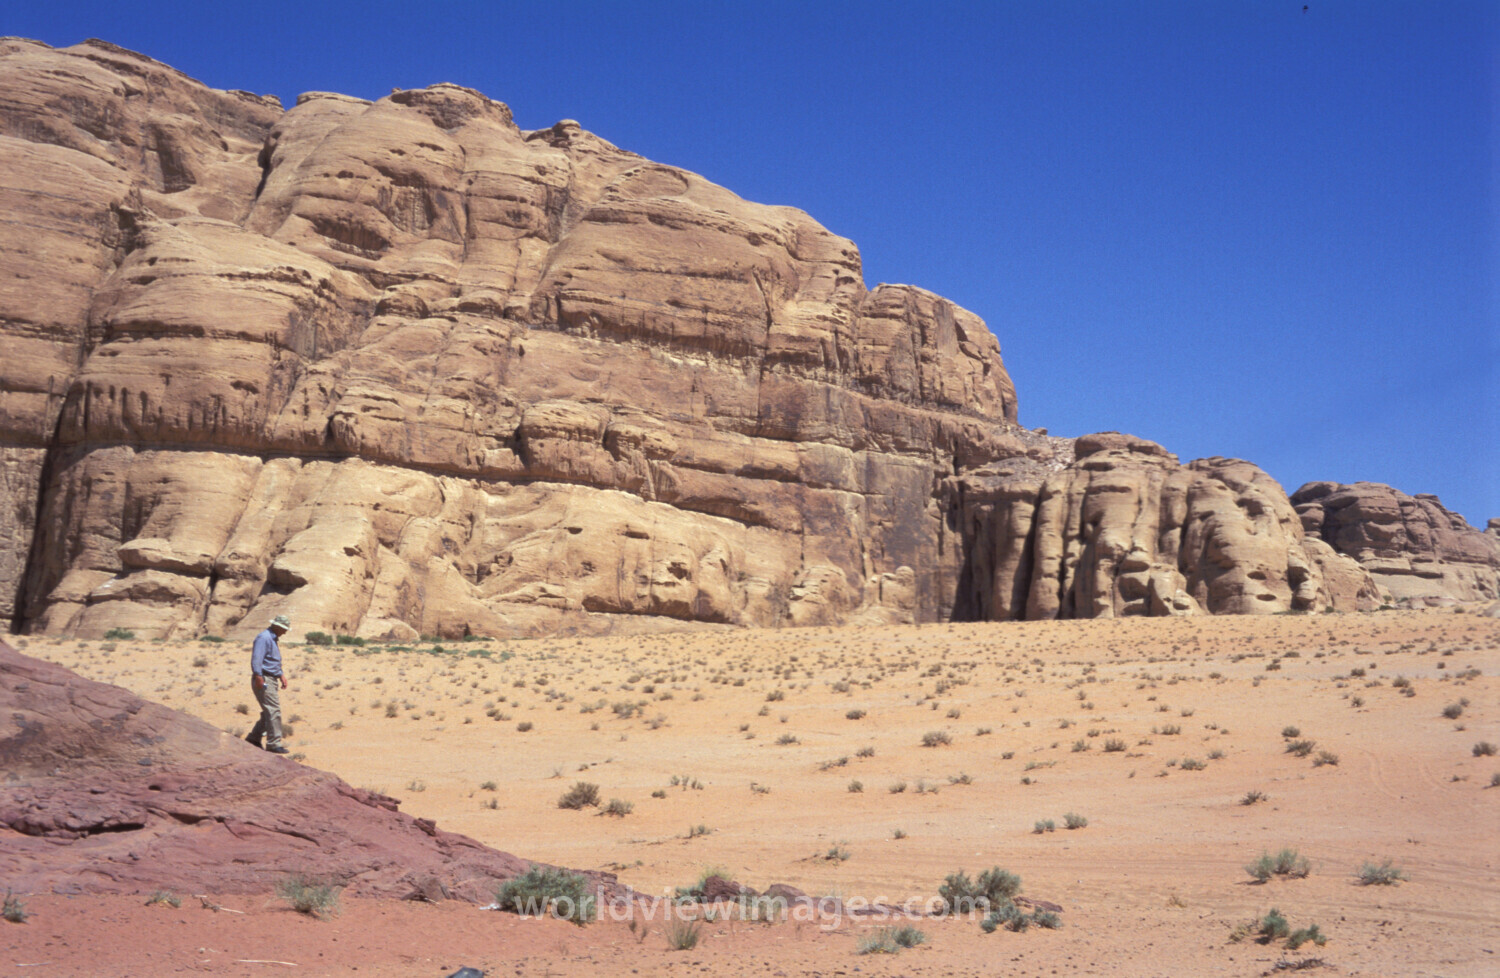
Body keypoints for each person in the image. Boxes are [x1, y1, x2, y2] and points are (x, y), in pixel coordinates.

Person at [247, 614, 292, 754]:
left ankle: (254, 738)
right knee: (273, 710)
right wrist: (259, 676)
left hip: (271, 677)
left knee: (269, 711)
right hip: (264, 678)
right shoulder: (264, 638)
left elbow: (271, 660)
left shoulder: (272, 638)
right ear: (277, 626)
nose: (285, 632)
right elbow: (257, 659)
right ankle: (273, 744)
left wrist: (281, 674)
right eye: (284, 629)